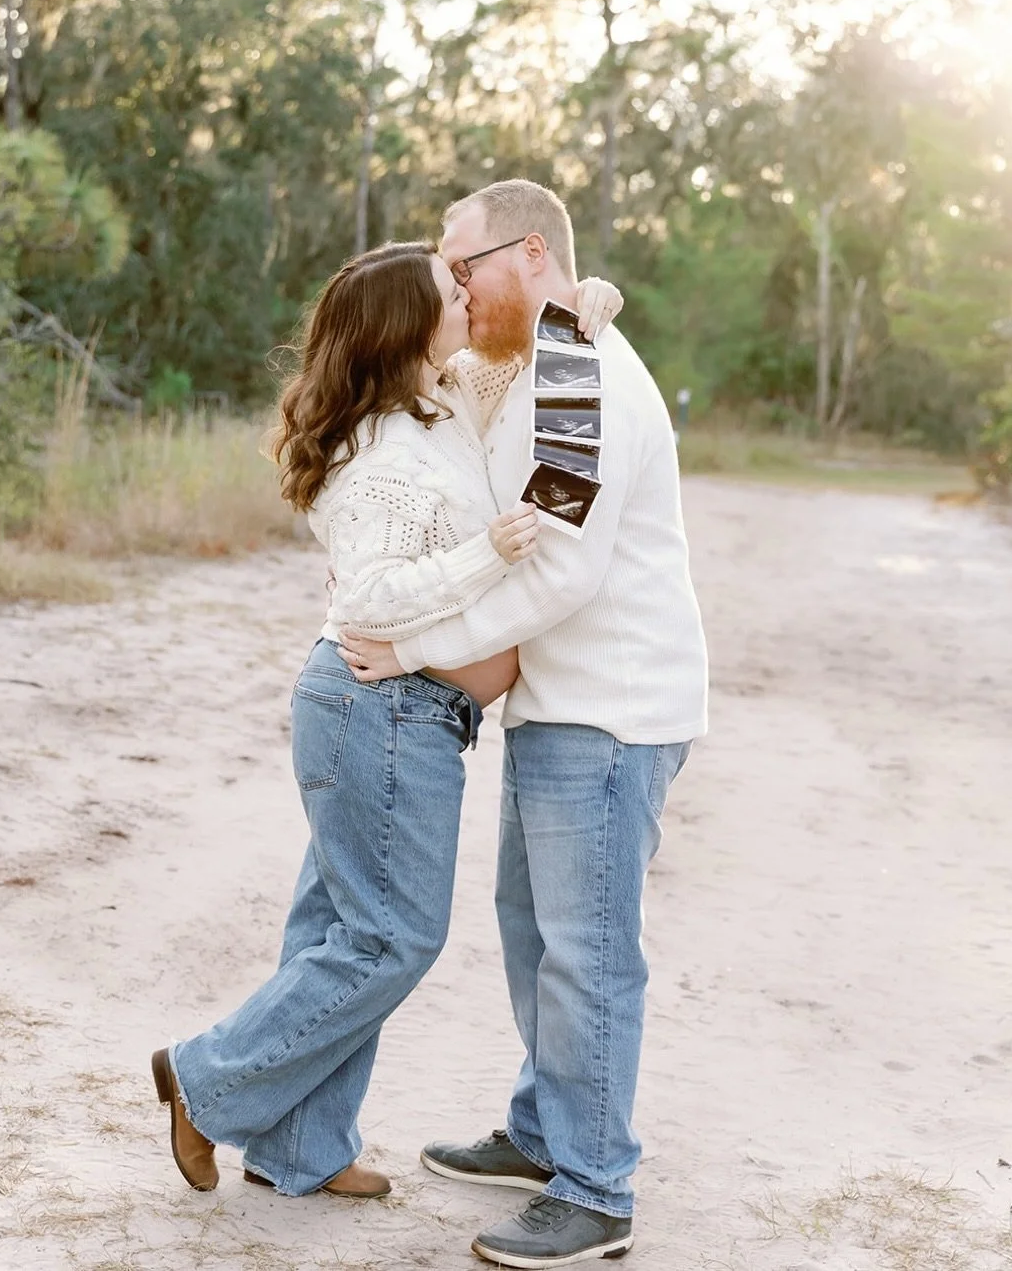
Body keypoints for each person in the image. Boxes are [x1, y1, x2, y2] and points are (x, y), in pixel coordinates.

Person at [149, 240, 623, 1203]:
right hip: (384, 709)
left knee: (336, 929)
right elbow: (371, 596)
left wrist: (578, 317)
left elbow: (523, 381)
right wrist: (487, 555)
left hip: (392, 714)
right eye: (449, 287)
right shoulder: (384, 455)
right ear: (408, 324)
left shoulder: (435, 403)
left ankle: (301, 1149)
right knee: (390, 939)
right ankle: (205, 1082)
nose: (465, 291)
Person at [339, 180, 709, 1268]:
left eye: (465, 267)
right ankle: (548, 1131)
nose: (451, 287)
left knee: (586, 951)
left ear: (531, 252)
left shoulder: (581, 373)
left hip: (612, 706)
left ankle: (596, 1189)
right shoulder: (531, 360)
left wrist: (411, 652)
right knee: (531, 926)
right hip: (560, 704)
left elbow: (562, 566)